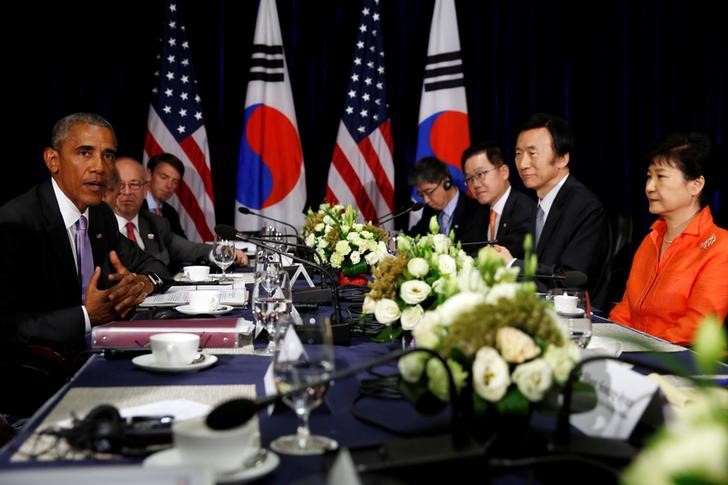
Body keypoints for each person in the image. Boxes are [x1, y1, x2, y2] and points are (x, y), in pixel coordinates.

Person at [0, 113, 172, 414]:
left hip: (101, 362)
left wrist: (144, 284)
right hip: (35, 388)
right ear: (53, 160)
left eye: (108, 155)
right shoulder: (16, 221)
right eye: (84, 153)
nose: (100, 167)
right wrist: (86, 316)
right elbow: (8, 325)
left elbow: (151, 264)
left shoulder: (100, 215)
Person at [610, 133, 728, 345]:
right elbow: (626, 308)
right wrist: (611, 341)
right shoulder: (652, 238)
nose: (649, 187)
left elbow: (695, 329)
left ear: (696, 185)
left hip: (680, 368)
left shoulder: (720, 247)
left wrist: (639, 351)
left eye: (661, 177)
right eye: (649, 176)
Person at [493, 113, 609, 308]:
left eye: (532, 153)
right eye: (518, 153)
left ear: (562, 158)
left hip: (579, 322)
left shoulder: (585, 207)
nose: (523, 164)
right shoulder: (538, 205)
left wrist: (512, 265)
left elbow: (572, 280)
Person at [106, 157, 248, 272]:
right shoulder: (97, 228)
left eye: (134, 184)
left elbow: (188, 249)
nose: (127, 192)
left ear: (145, 189)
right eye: (120, 184)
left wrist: (221, 251)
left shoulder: (156, 222)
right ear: (109, 189)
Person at [459, 141, 535, 258]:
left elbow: (507, 255)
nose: (475, 184)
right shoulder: (476, 211)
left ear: (504, 172)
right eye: (469, 179)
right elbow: (465, 248)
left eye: (480, 174)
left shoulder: (525, 210)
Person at [407, 156, 480, 241]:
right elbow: (415, 237)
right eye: (421, 195)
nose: (426, 201)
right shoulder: (429, 211)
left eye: (429, 192)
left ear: (446, 183)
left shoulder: (474, 210)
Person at [143, 153, 187, 238]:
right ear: (149, 174)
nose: (169, 186)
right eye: (164, 177)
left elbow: (183, 244)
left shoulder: (171, 213)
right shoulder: (134, 206)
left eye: (175, 182)